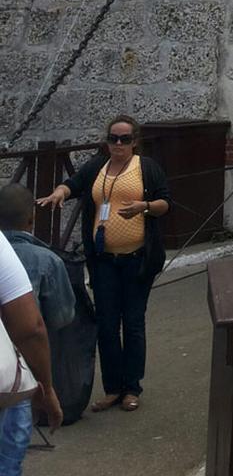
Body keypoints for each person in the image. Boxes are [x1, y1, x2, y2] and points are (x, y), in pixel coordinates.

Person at [37, 115, 170, 413]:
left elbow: (164, 203)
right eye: (113, 138)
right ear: (107, 140)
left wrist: (144, 207)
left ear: (135, 141)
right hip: (104, 261)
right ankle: (113, 389)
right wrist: (60, 192)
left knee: (133, 323)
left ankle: (132, 388)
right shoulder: (97, 166)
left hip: (137, 259)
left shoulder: (146, 168)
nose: (118, 144)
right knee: (107, 325)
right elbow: (74, 184)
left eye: (124, 139)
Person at [0, 185, 73, 476]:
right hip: (7, 380)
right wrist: (45, 387)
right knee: (4, 457)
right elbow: (36, 326)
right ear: (31, 218)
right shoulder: (30, 257)